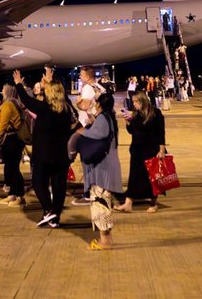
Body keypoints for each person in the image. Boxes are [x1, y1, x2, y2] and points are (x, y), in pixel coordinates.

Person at [14, 69, 74, 227]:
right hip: (62, 155)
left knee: (39, 182)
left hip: (43, 155)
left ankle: (48, 210)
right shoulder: (66, 110)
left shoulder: (43, 108)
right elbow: (64, 97)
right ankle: (55, 218)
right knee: (59, 185)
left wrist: (19, 84)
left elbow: (26, 100)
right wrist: (50, 81)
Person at [76, 92, 122, 250]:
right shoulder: (110, 118)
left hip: (102, 168)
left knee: (99, 203)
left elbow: (97, 134)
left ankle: (104, 241)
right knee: (105, 202)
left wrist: (82, 131)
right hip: (108, 167)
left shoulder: (103, 118)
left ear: (100, 105)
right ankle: (107, 239)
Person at [115, 90, 166, 214]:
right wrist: (127, 122)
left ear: (142, 101)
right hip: (137, 150)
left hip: (151, 149)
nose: (134, 104)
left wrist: (161, 149)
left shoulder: (155, 113)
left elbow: (161, 132)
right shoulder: (136, 114)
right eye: (133, 102)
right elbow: (132, 131)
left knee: (153, 178)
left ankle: (153, 203)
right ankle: (128, 202)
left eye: (136, 102)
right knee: (134, 176)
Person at [71, 66, 106, 206]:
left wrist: (78, 101)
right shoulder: (99, 87)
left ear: (87, 76)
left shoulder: (86, 88)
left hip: (88, 127)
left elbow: (84, 105)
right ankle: (98, 190)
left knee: (87, 162)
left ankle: (89, 194)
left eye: (81, 74)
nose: (79, 76)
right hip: (99, 127)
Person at [0, 82, 27, 207]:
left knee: (13, 169)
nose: (2, 90)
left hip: (11, 141)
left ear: (8, 91)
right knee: (11, 168)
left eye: (4, 89)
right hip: (16, 140)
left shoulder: (7, 105)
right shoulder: (15, 102)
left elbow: (3, 125)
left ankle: (20, 196)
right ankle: (12, 194)